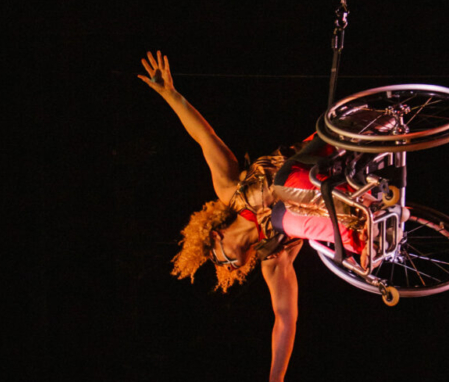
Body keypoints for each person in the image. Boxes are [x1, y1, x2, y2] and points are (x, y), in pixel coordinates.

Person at [138, 51, 369, 382]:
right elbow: (285, 318)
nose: (232, 267)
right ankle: (367, 228)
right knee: (296, 223)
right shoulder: (273, 256)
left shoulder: (231, 192)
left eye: (220, 261)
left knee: (285, 190)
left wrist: (171, 95)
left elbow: (206, 138)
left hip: (316, 157)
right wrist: (276, 379)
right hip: (339, 196)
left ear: (215, 237)